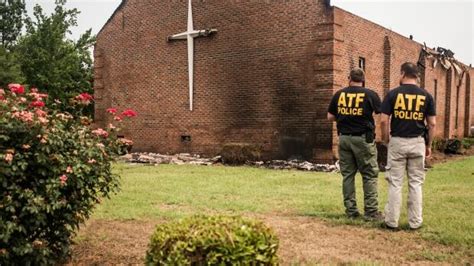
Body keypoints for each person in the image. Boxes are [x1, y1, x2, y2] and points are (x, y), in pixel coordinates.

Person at [380, 62, 436, 230]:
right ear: (417, 76)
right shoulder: (426, 96)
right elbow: (432, 124)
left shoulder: (392, 94)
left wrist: (385, 139)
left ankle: (391, 222)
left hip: (397, 140)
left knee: (395, 182)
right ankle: (415, 222)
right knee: (416, 183)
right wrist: (428, 144)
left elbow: (383, 120)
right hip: (418, 141)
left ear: (403, 73)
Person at [327, 68, 383, 221]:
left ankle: (351, 211)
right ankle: (371, 212)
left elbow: (330, 116)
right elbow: (380, 113)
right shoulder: (370, 94)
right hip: (363, 139)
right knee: (369, 174)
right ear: (363, 80)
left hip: (344, 138)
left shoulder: (339, 94)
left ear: (349, 78)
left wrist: (345, 115)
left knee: (348, 175)